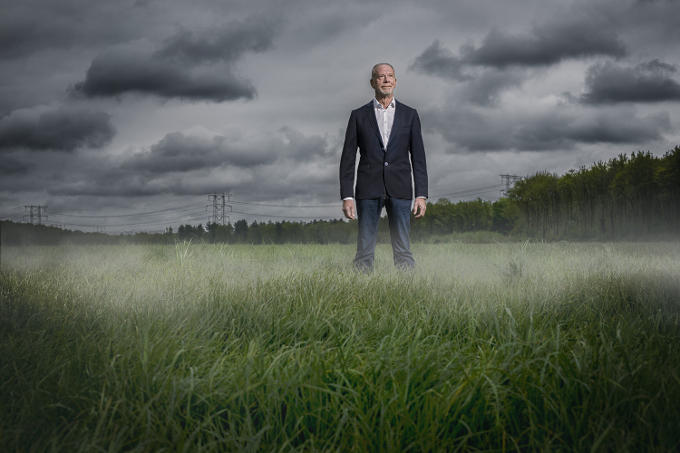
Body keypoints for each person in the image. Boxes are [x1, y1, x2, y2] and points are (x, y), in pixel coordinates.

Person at [339, 62, 428, 272]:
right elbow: (348, 159)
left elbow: (419, 157)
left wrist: (421, 194)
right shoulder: (358, 115)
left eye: (390, 76)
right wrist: (347, 196)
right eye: (381, 76)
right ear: (373, 82)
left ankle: (407, 292)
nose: (386, 79)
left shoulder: (410, 114)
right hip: (368, 189)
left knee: (403, 249)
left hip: (401, 188)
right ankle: (361, 292)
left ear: (395, 81)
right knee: (364, 250)